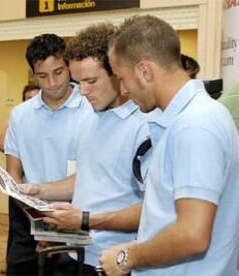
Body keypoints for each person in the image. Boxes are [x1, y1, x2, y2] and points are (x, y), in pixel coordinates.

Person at [100, 15, 239, 276]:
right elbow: (171, 216)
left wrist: (127, 257)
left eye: (122, 78)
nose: (124, 90)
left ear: (145, 71)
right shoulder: (188, 119)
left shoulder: (194, 125)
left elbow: (192, 235)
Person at [19, 23, 149, 275]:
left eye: (91, 81)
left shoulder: (143, 126)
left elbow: (154, 209)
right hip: (76, 252)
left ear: (118, 73)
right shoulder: (91, 114)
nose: (83, 91)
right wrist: (40, 190)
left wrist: (85, 219)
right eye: (79, 82)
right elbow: (89, 177)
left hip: (116, 261)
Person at [4, 33, 90, 276]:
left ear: (69, 67)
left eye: (59, 72)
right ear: (33, 74)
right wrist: (38, 221)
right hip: (28, 220)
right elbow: (14, 174)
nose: (52, 83)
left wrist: (56, 230)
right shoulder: (20, 115)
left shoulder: (90, 108)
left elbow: (90, 176)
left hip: (75, 220)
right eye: (42, 76)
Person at [0, 84, 39, 153]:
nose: (34, 102)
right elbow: (2, 146)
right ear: (24, 102)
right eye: (30, 99)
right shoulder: (18, 118)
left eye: (37, 98)